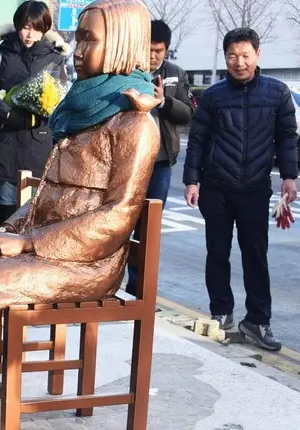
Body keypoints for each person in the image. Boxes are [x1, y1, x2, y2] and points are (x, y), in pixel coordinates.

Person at [0, 1, 160, 428]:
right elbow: (46, 196)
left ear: (120, 44)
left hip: (88, 260)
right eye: (78, 38)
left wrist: (29, 242)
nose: (77, 50)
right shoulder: (84, 105)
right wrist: (9, 228)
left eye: (90, 40)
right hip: (49, 247)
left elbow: (119, 214)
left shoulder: (134, 123)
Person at [183, 27, 298, 352]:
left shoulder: (277, 93)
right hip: (216, 188)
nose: (239, 62)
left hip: (255, 189)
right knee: (217, 253)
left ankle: (258, 321)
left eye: (245, 55)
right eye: (233, 56)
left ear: (257, 55)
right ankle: (221, 313)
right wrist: (192, 180)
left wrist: (289, 176)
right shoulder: (214, 96)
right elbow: (198, 140)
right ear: (225, 57)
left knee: (256, 255)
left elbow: (287, 137)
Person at [0, 1, 69, 227]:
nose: (30, 34)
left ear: (45, 29)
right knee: (6, 208)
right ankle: (0, 259)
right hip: (5, 143)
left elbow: (60, 100)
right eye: (26, 27)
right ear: (17, 25)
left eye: (37, 28)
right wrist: (7, 114)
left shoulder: (54, 58)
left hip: (37, 145)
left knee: (32, 213)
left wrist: (42, 112)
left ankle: (25, 261)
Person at [124, 19, 193, 295]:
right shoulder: (126, 72)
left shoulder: (176, 74)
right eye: (149, 49)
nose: (153, 56)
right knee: (122, 224)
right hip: (130, 164)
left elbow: (188, 113)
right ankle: (111, 283)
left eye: (159, 51)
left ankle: (139, 289)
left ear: (167, 50)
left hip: (161, 164)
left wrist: (164, 101)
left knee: (148, 230)